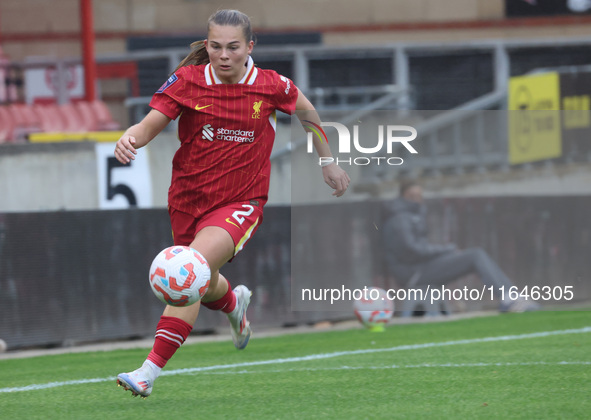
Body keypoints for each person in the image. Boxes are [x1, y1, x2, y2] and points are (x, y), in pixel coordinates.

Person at [114, 9, 350, 398]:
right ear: (206, 46)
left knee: (189, 270)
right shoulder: (188, 81)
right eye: (216, 46)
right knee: (202, 281)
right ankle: (233, 302)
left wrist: (328, 161)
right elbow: (151, 123)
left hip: (242, 201)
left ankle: (148, 372)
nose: (224, 55)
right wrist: (131, 138)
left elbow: (307, 112)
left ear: (249, 47)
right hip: (188, 200)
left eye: (233, 47)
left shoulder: (271, 85)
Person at [382, 179, 539, 315]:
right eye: (412, 196)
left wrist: (446, 253)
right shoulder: (400, 219)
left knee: (473, 255)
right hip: (413, 274)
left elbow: (419, 250)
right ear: (402, 197)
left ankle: (510, 296)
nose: (416, 200)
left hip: (420, 268)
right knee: (475, 255)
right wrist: (447, 250)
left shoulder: (412, 215)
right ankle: (509, 298)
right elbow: (412, 251)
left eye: (419, 196)